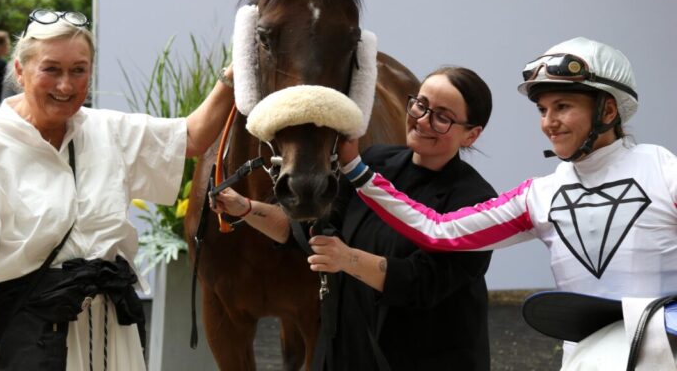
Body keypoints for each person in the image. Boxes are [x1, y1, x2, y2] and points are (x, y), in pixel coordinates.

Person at [0, 8, 235, 370]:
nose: (66, 86)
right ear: (20, 72)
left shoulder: (107, 129)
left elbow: (191, 137)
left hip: (111, 336)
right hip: (29, 340)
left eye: (78, 70)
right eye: (51, 69)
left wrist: (233, 76)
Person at [340, 37, 677, 363]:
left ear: (607, 109)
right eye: (543, 109)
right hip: (586, 359)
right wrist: (358, 172)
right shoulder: (538, 195)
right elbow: (437, 230)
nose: (548, 123)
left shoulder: (664, 170)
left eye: (563, 106)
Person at [213, 66, 496, 370]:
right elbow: (307, 232)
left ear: (471, 134)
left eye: (442, 117)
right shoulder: (375, 162)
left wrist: (347, 259)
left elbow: (422, 283)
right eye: (420, 104)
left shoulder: (477, 202)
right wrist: (243, 207)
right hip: (346, 352)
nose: (422, 120)